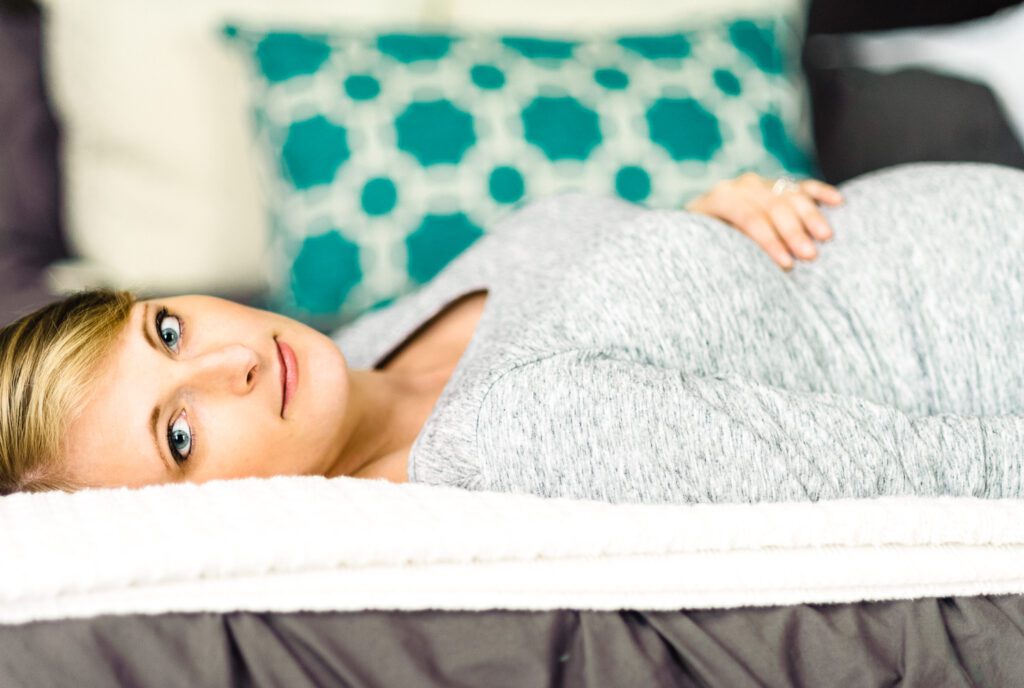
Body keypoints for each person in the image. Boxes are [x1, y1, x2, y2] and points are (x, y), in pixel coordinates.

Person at [2, 162, 1022, 504]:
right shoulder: (507, 441)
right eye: (177, 436)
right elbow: (932, 469)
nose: (229, 363)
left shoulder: (365, 343)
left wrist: (701, 219)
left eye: (167, 328)